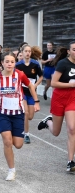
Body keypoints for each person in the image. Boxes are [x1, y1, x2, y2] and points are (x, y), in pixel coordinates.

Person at [0, 52, 40, 181]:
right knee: (7, 141)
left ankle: (12, 142)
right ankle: (11, 170)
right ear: (2, 63)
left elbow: (30, 85)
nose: (9, 64)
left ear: (15, 63)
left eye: (12, 62)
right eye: (7, 61)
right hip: (2, 113)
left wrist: (36, 101)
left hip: (18, 113)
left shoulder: (19, 74)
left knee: (18, 144)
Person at [37, 41, 75, 172]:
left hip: (73, 99)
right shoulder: (63, 63)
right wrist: (71, 85)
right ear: (69, 51)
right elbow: (53, 83)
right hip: (59, 98)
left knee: (71, 128)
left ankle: (70, 162)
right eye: (74, 49)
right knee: (56, 132)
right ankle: (48, 122)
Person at [15, 45, 43, 144]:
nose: (27, 53)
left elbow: (41, 76)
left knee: (30, 116)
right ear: (21, 53)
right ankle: (26, 134)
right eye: (26, 51)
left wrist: (35, 85)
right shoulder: (18, 65)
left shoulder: (35, 64)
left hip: (31, 92)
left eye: (29, 51)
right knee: (26, 113)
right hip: (22, 92)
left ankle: (21, 122)